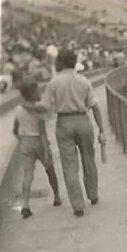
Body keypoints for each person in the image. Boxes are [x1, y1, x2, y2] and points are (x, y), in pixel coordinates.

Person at [23, 49, 107, 217]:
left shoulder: (54, 82)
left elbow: (44, 107)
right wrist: (101, 129)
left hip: (64, 122)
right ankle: (93, 195)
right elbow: (95, 107)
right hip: (83, 120)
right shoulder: (83, 80)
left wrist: (28, 108)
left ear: (61, 62)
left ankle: (78, 206)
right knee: (89, 160)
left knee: (70, 166)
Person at [13, 79, 61, 219]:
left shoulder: (18, 110)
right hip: (39, 142)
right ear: (31, 93)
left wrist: (22, 140)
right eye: (37, 90)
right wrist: (45, 150)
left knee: (28, 175)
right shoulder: (38, 111)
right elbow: (42, 132)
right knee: (50, 170)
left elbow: (15, 130)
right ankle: (57, 197)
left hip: (25, 143)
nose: (39, 92)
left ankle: (26, 205)